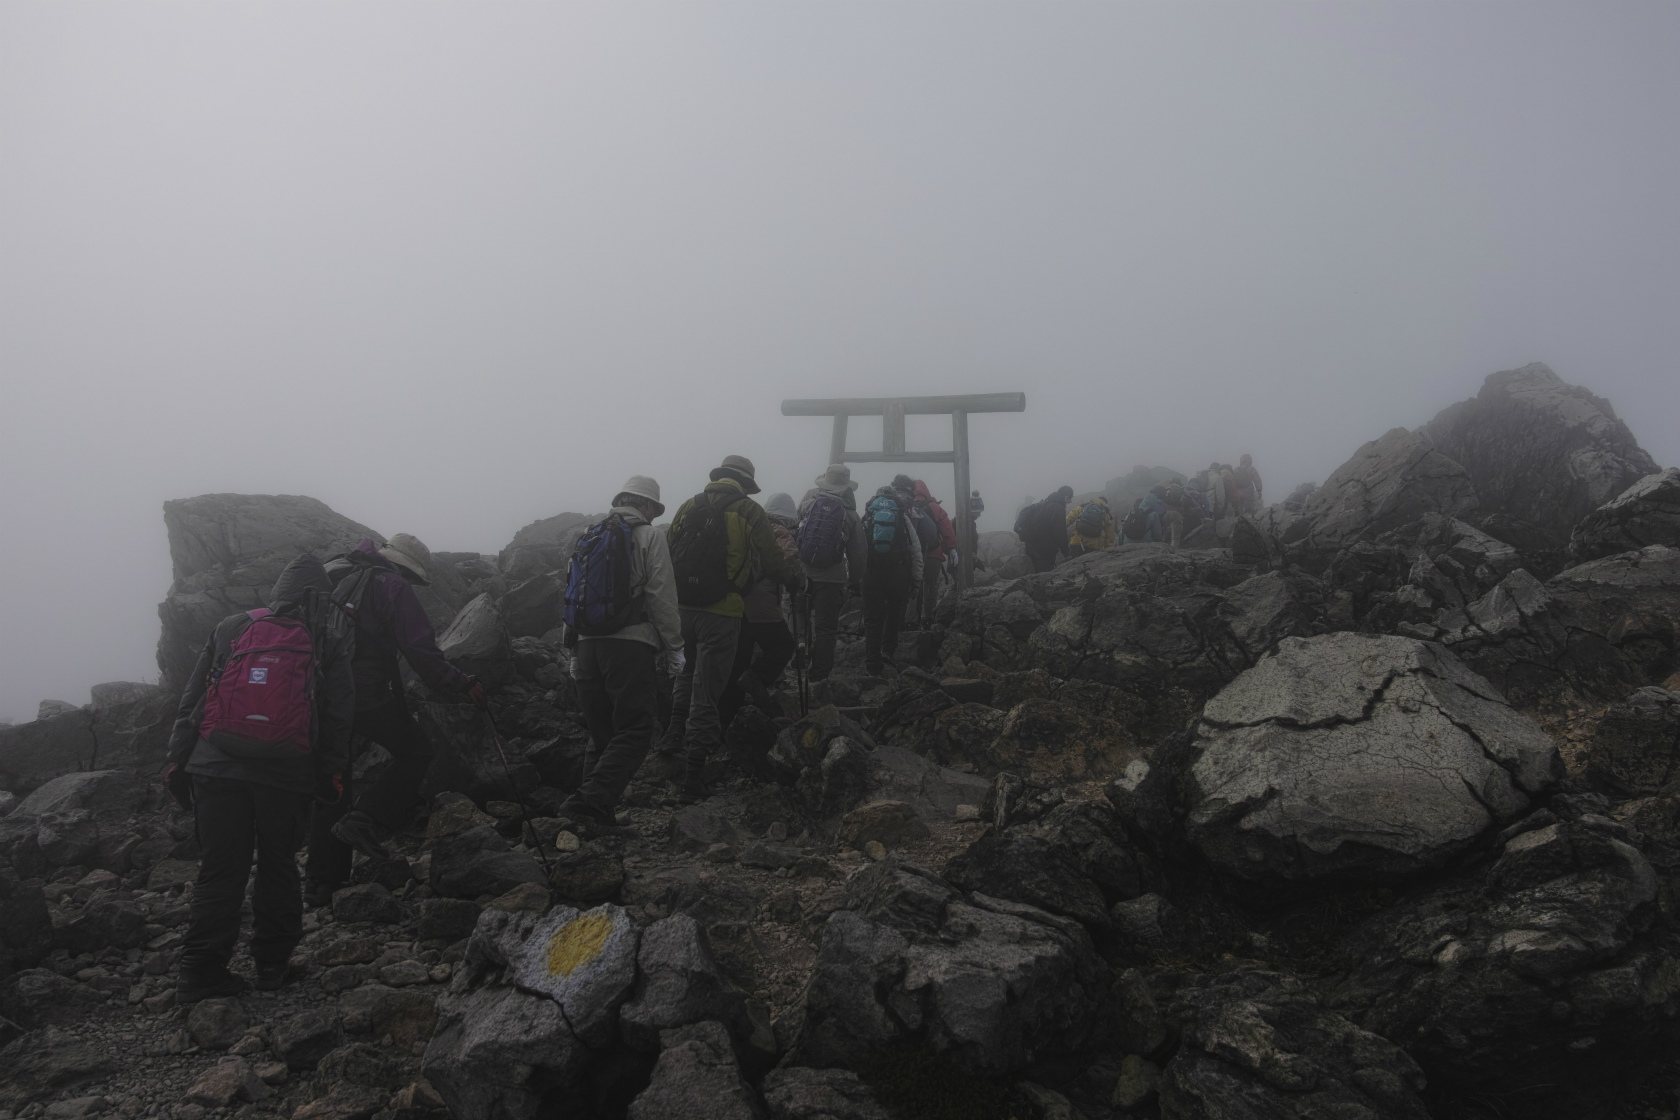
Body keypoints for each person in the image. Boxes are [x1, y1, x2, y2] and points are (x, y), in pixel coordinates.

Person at [165, 555, 353, 1000]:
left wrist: (177, 758)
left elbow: (193, 699)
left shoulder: (231, 627)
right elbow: (337, 715)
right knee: (278, 864)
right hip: (285, 773)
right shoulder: (326, 638)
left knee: (219, 867)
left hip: (215, 764)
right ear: (320, 598)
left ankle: (200, 970)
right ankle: (272, 964)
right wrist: (331, 774)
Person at [304, 534, 485, 905]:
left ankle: (322, 885)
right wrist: (460, 683)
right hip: (362, 695)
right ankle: (365, 819)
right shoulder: (390, 584)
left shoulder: (333, 572)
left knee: (333, 779)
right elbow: (418, 648)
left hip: (313, 694)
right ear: (405, 567)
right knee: (416, 751)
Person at [666, 455, 799, 802]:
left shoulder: (687, 505)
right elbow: (772, 558)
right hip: (722, 609)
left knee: (685, 672)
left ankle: (671, 734)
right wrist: (793, 580)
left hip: (682, 608)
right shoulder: (748, 510)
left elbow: (669, 553)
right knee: (708, 688)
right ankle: (694, 775)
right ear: (744, 483)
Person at [555, 476, 684, 830]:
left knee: (602, 735)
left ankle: (592, 819)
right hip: (629, 644)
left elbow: (573, 594)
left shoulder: (588, 536)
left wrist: (572, 647)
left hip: (585, 644)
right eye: (654, 510)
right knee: (637, 729)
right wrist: (675, 647)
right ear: (646, 505)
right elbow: (660, 593)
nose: (655, 517)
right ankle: (589, 802)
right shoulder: (649, 536)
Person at [717, 491, 800, 728]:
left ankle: (727, 720)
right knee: (783, 644)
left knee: (738, 659)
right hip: (762, 603)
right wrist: (797, 580)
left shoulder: (746, 524)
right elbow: (790, 559)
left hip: (733, 601)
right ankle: (757, 678)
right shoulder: (779, 530)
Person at [797, 464, 867, 683]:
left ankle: (800, 653)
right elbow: (858, 553)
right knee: (826, 628)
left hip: (802, 574)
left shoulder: (808, 503)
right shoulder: (850, 513)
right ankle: (819, 676)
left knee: (800, 619)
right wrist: (855, 581)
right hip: (832, 579)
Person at [860, 483, 923, 675]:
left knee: (873, 619)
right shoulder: (903, 518)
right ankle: (888, 651)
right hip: (898, 574)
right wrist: (917, 579)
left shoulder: (868, 517)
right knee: (895, 615)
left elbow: (857, 548)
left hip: (871, 574)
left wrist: (854, 576)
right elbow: (915, 549)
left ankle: (872, 663)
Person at [908, 480, 958, 626]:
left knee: (912, 585)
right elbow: (947, 529)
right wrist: (952, 549)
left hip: (911, 555)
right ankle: (928, 618)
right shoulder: (935, 508)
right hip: (933, 554)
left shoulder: (905, 506)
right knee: (930, 585)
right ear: (927, 491)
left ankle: (910, 620)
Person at [1019, 485, 1073, 573]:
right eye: (1069, 500)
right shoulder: (1058, 508)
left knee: (1034, 574)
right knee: (1045, 576)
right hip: (1045, 549)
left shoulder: (1045, 503)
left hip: (1031, 545)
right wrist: (1066, 553)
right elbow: (1060, 532)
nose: (1068, 502)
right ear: (1066, 497)